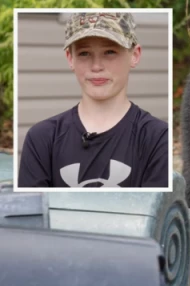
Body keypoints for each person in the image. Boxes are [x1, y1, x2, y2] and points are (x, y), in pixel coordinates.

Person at [18, 12, 169, 188]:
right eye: (84, 53)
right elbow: (31, 211)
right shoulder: (42, 138)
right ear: (70, 58)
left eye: (110, 52)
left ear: (135, 55)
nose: (97, 66)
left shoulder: (156, 138)